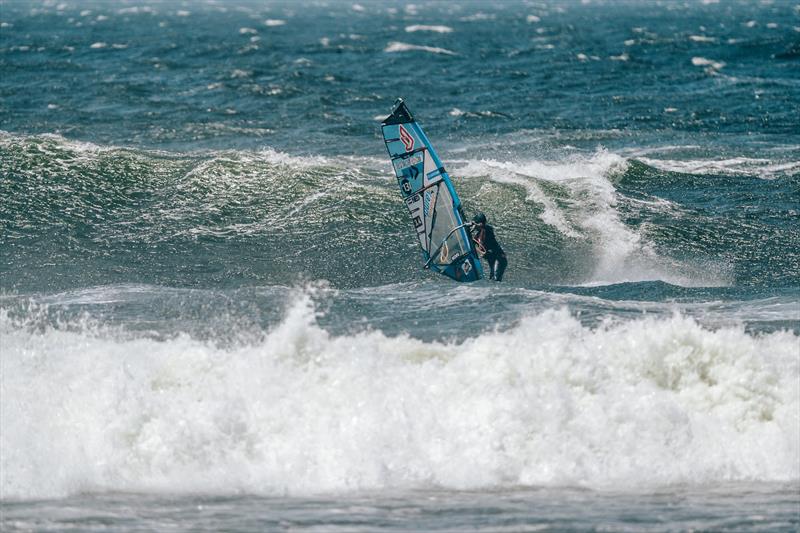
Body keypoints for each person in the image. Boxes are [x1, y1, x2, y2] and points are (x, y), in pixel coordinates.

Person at [470, 212, 507, 281]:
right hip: (492, 259)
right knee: (492, 279)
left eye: (476, 223)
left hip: (499, 258)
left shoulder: (488, 229)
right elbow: (472, 242)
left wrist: (475, 224)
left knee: (495, 279)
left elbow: (482, 227)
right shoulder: (477, 236)